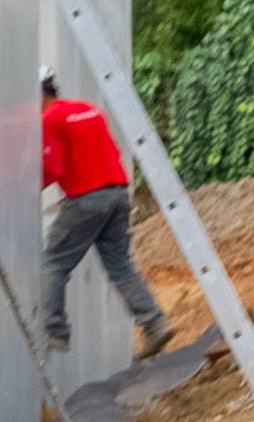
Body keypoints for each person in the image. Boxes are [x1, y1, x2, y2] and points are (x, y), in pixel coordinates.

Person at [41, 71, 170, 358]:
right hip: (118, 195)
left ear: (40, 94)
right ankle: (153, 322)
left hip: (87, 200)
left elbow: (53, 168)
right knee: (119, 264)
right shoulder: (89, 110)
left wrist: (24, 190)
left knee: (54, 262)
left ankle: (54, 331)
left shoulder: (49, 119)